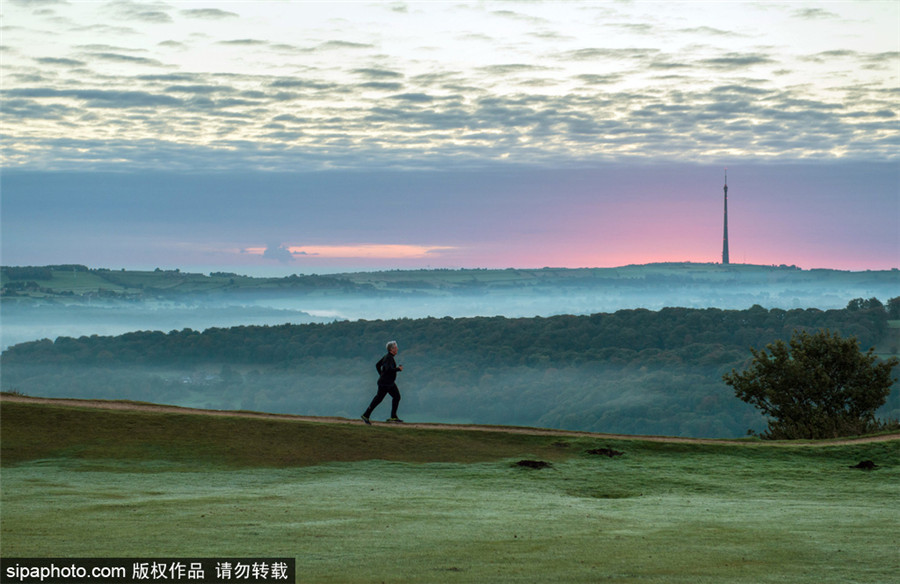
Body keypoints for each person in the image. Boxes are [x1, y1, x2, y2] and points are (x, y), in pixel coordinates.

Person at [361, 341, 404, 424]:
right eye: (396, 347)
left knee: (396, 397)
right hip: (385, 384)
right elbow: (388, 369)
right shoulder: (388, 358)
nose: (397, 349)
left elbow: (377, 365)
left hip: (388, 383)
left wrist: (381, 375)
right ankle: (366, 415)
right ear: (391, 349)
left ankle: (393, 417)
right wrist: (398, 369)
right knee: (379, 399)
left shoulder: (387, 356)